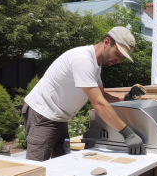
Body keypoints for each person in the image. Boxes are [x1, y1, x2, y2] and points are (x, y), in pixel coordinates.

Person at [22, 26, 147, 161]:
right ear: (106, 42)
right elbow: (98, 103)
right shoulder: (83, 59)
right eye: (118, 54)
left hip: (59, 118)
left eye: (122, 57)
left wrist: (127, 97)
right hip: (43, 115)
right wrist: (128, 134)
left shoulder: (95, 64)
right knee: (37, 169)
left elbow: (102, 96)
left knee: (61, 165)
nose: (118, 60)